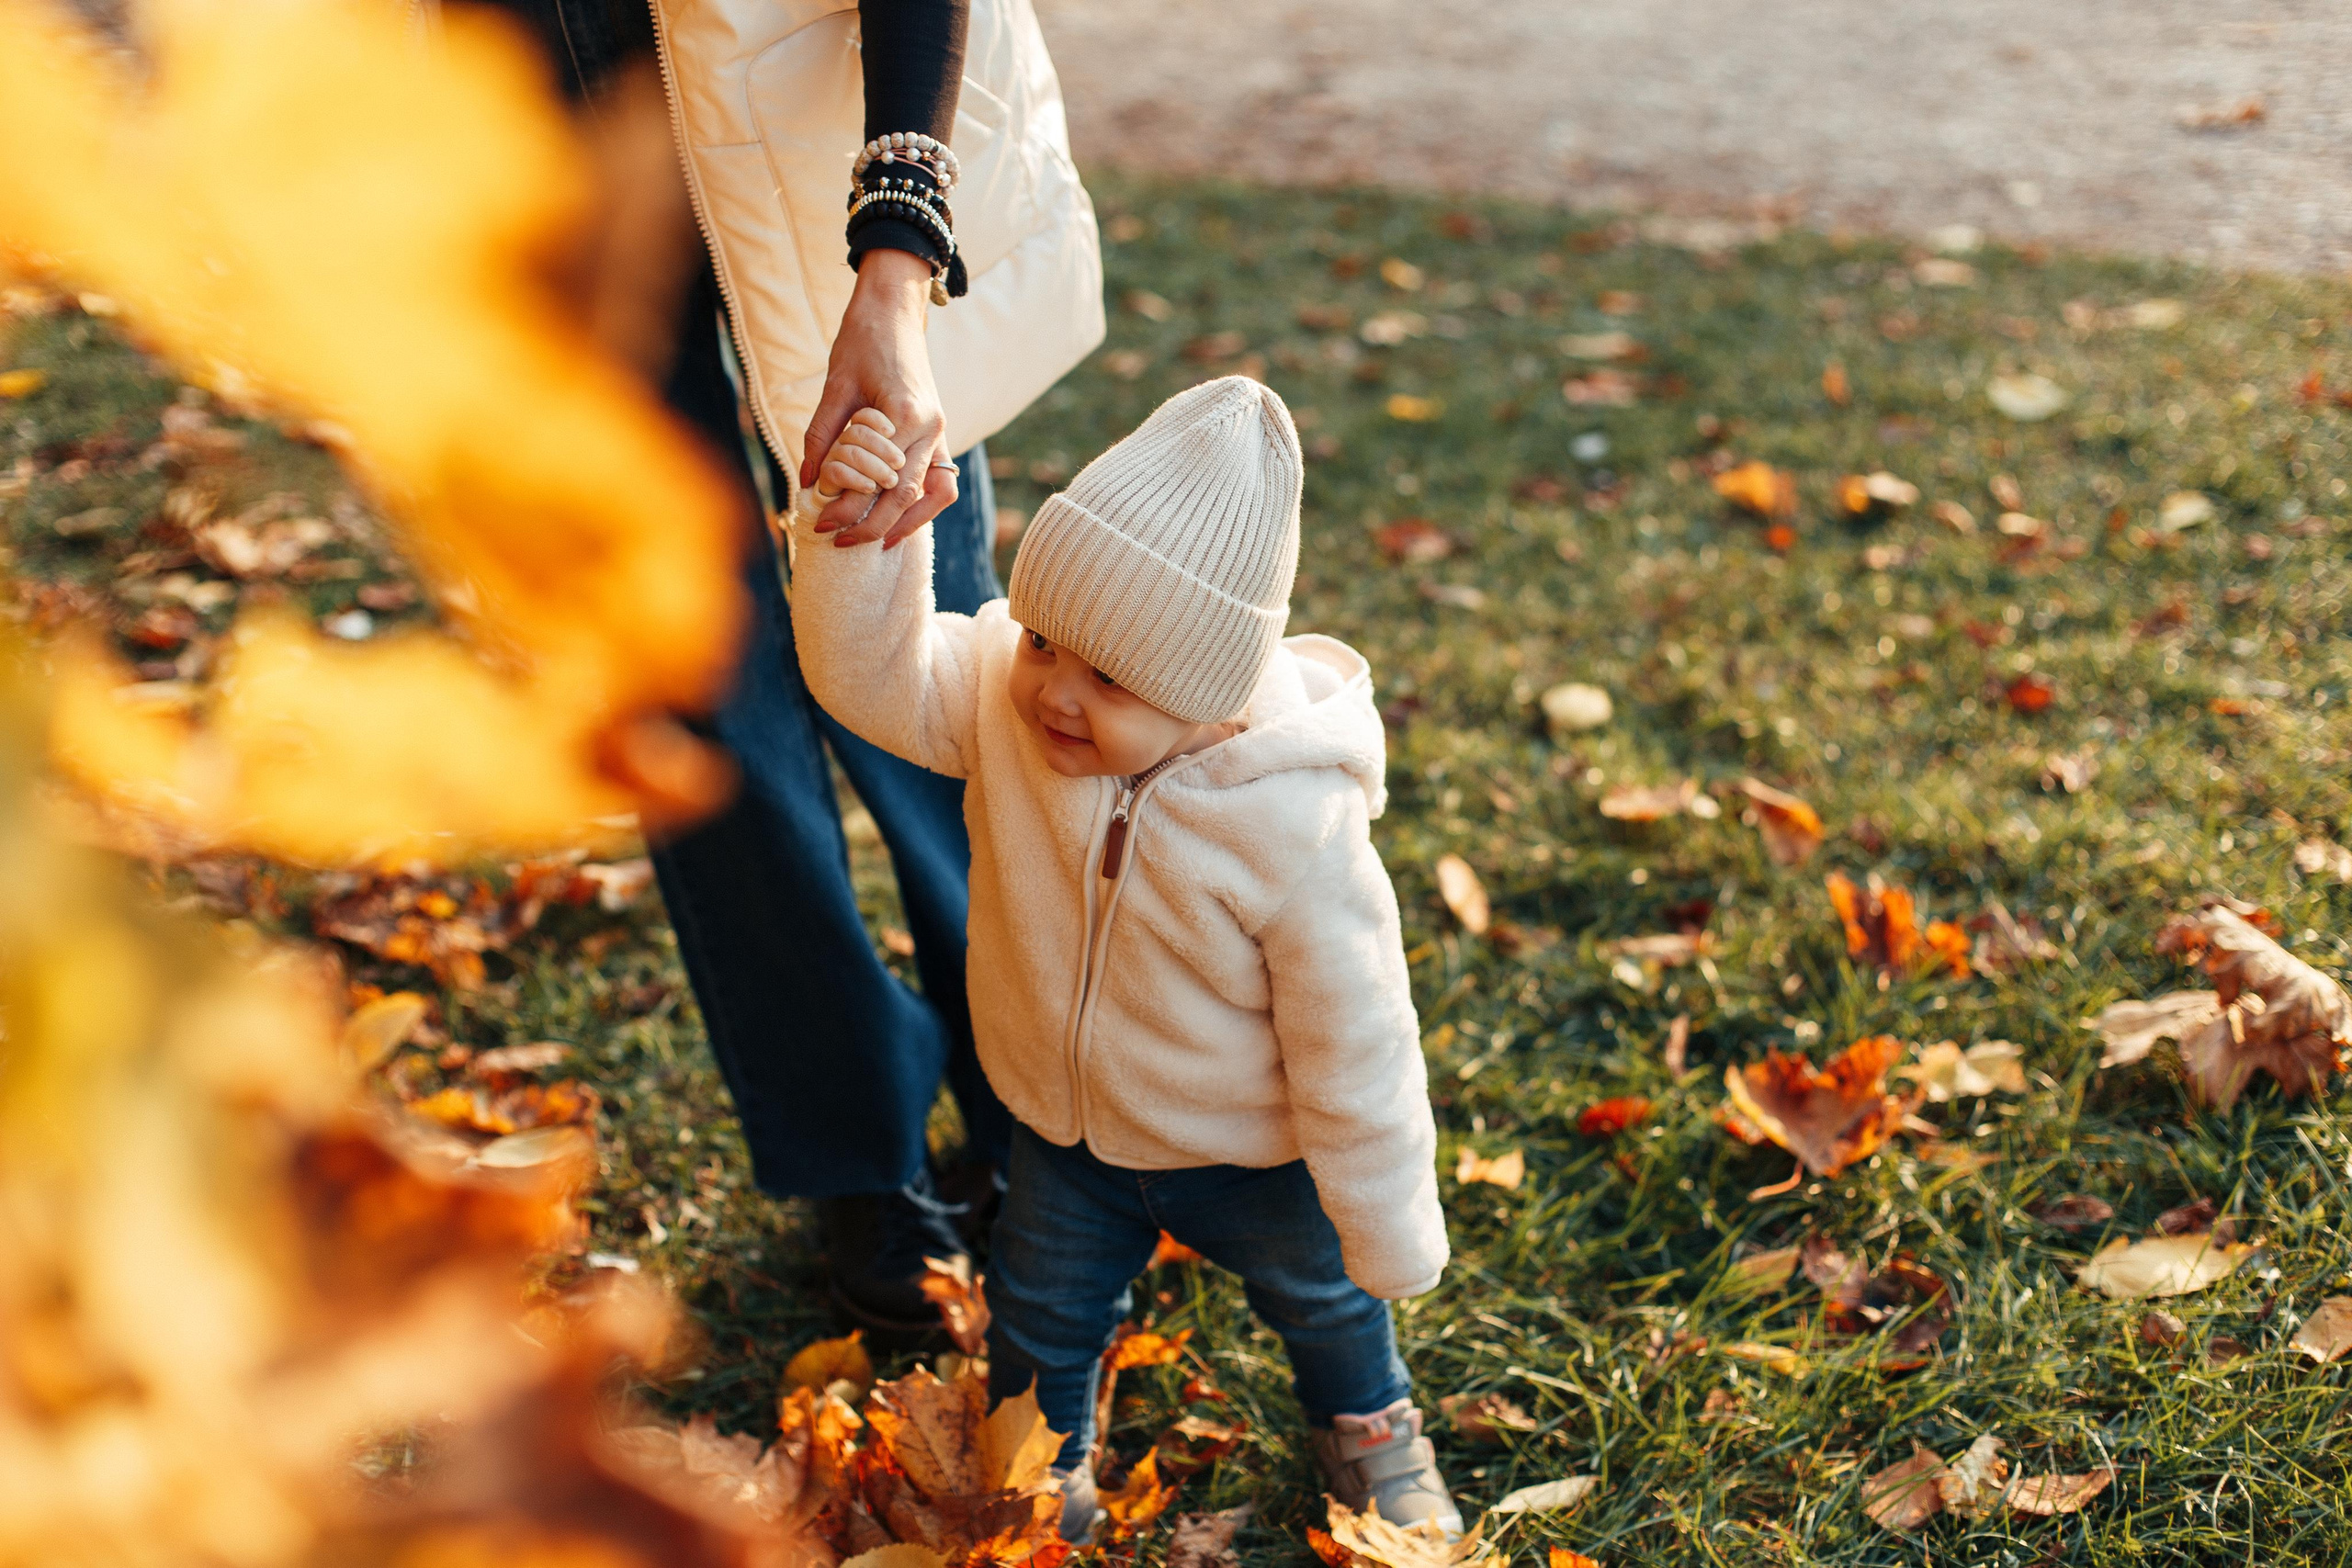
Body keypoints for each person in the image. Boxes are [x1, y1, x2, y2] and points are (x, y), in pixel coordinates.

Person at [460, 0, 1102, 1337]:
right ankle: (859, 1160)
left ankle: (1039, 1110)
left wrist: (899, 263)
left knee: (933, 682)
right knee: (703, 718)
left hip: (833, 210)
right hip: (551, 218)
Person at [786, 378, 1461, 1538]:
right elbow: (870, 680)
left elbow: (1359, 1038)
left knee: (1328, 1302)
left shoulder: (1290, 826)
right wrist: (858, 543)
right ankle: (1044, 1468)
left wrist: (1389, 1223)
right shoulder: (1010, 708)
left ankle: (1368, 1429)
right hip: (1066, 1127)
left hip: (1250, 1150)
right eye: (1043, 640)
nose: (1054, 690)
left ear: (1207, 693)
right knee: (1039, 1314)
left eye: (1107, 678)